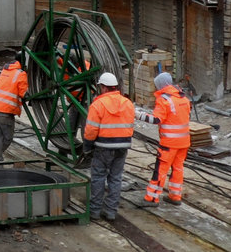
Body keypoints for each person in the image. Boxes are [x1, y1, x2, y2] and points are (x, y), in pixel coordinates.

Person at [81, 72, 135, 221]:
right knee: (116, 178)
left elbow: (91, 129)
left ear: (104, 88)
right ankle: (111, 211)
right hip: (122, 147)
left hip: (103, 147)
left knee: (98, 177)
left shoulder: (98, 104)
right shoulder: (127, 103)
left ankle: (95, 211)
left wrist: (87, 146)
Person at [137, 71, 191, 207]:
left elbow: (156, 119)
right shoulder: (183, 98)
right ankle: (175, 195)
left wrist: (136, 114)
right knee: (178, 169)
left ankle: (152, 198)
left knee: (160, 170)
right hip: (184, 142)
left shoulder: (164, 100)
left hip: (169, 144)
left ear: (160, 85)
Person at [0, 59, 29, 162]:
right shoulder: (21, 74)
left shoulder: (5, 70)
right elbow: (24, 93)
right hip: (5, 111)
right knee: (7, 138)